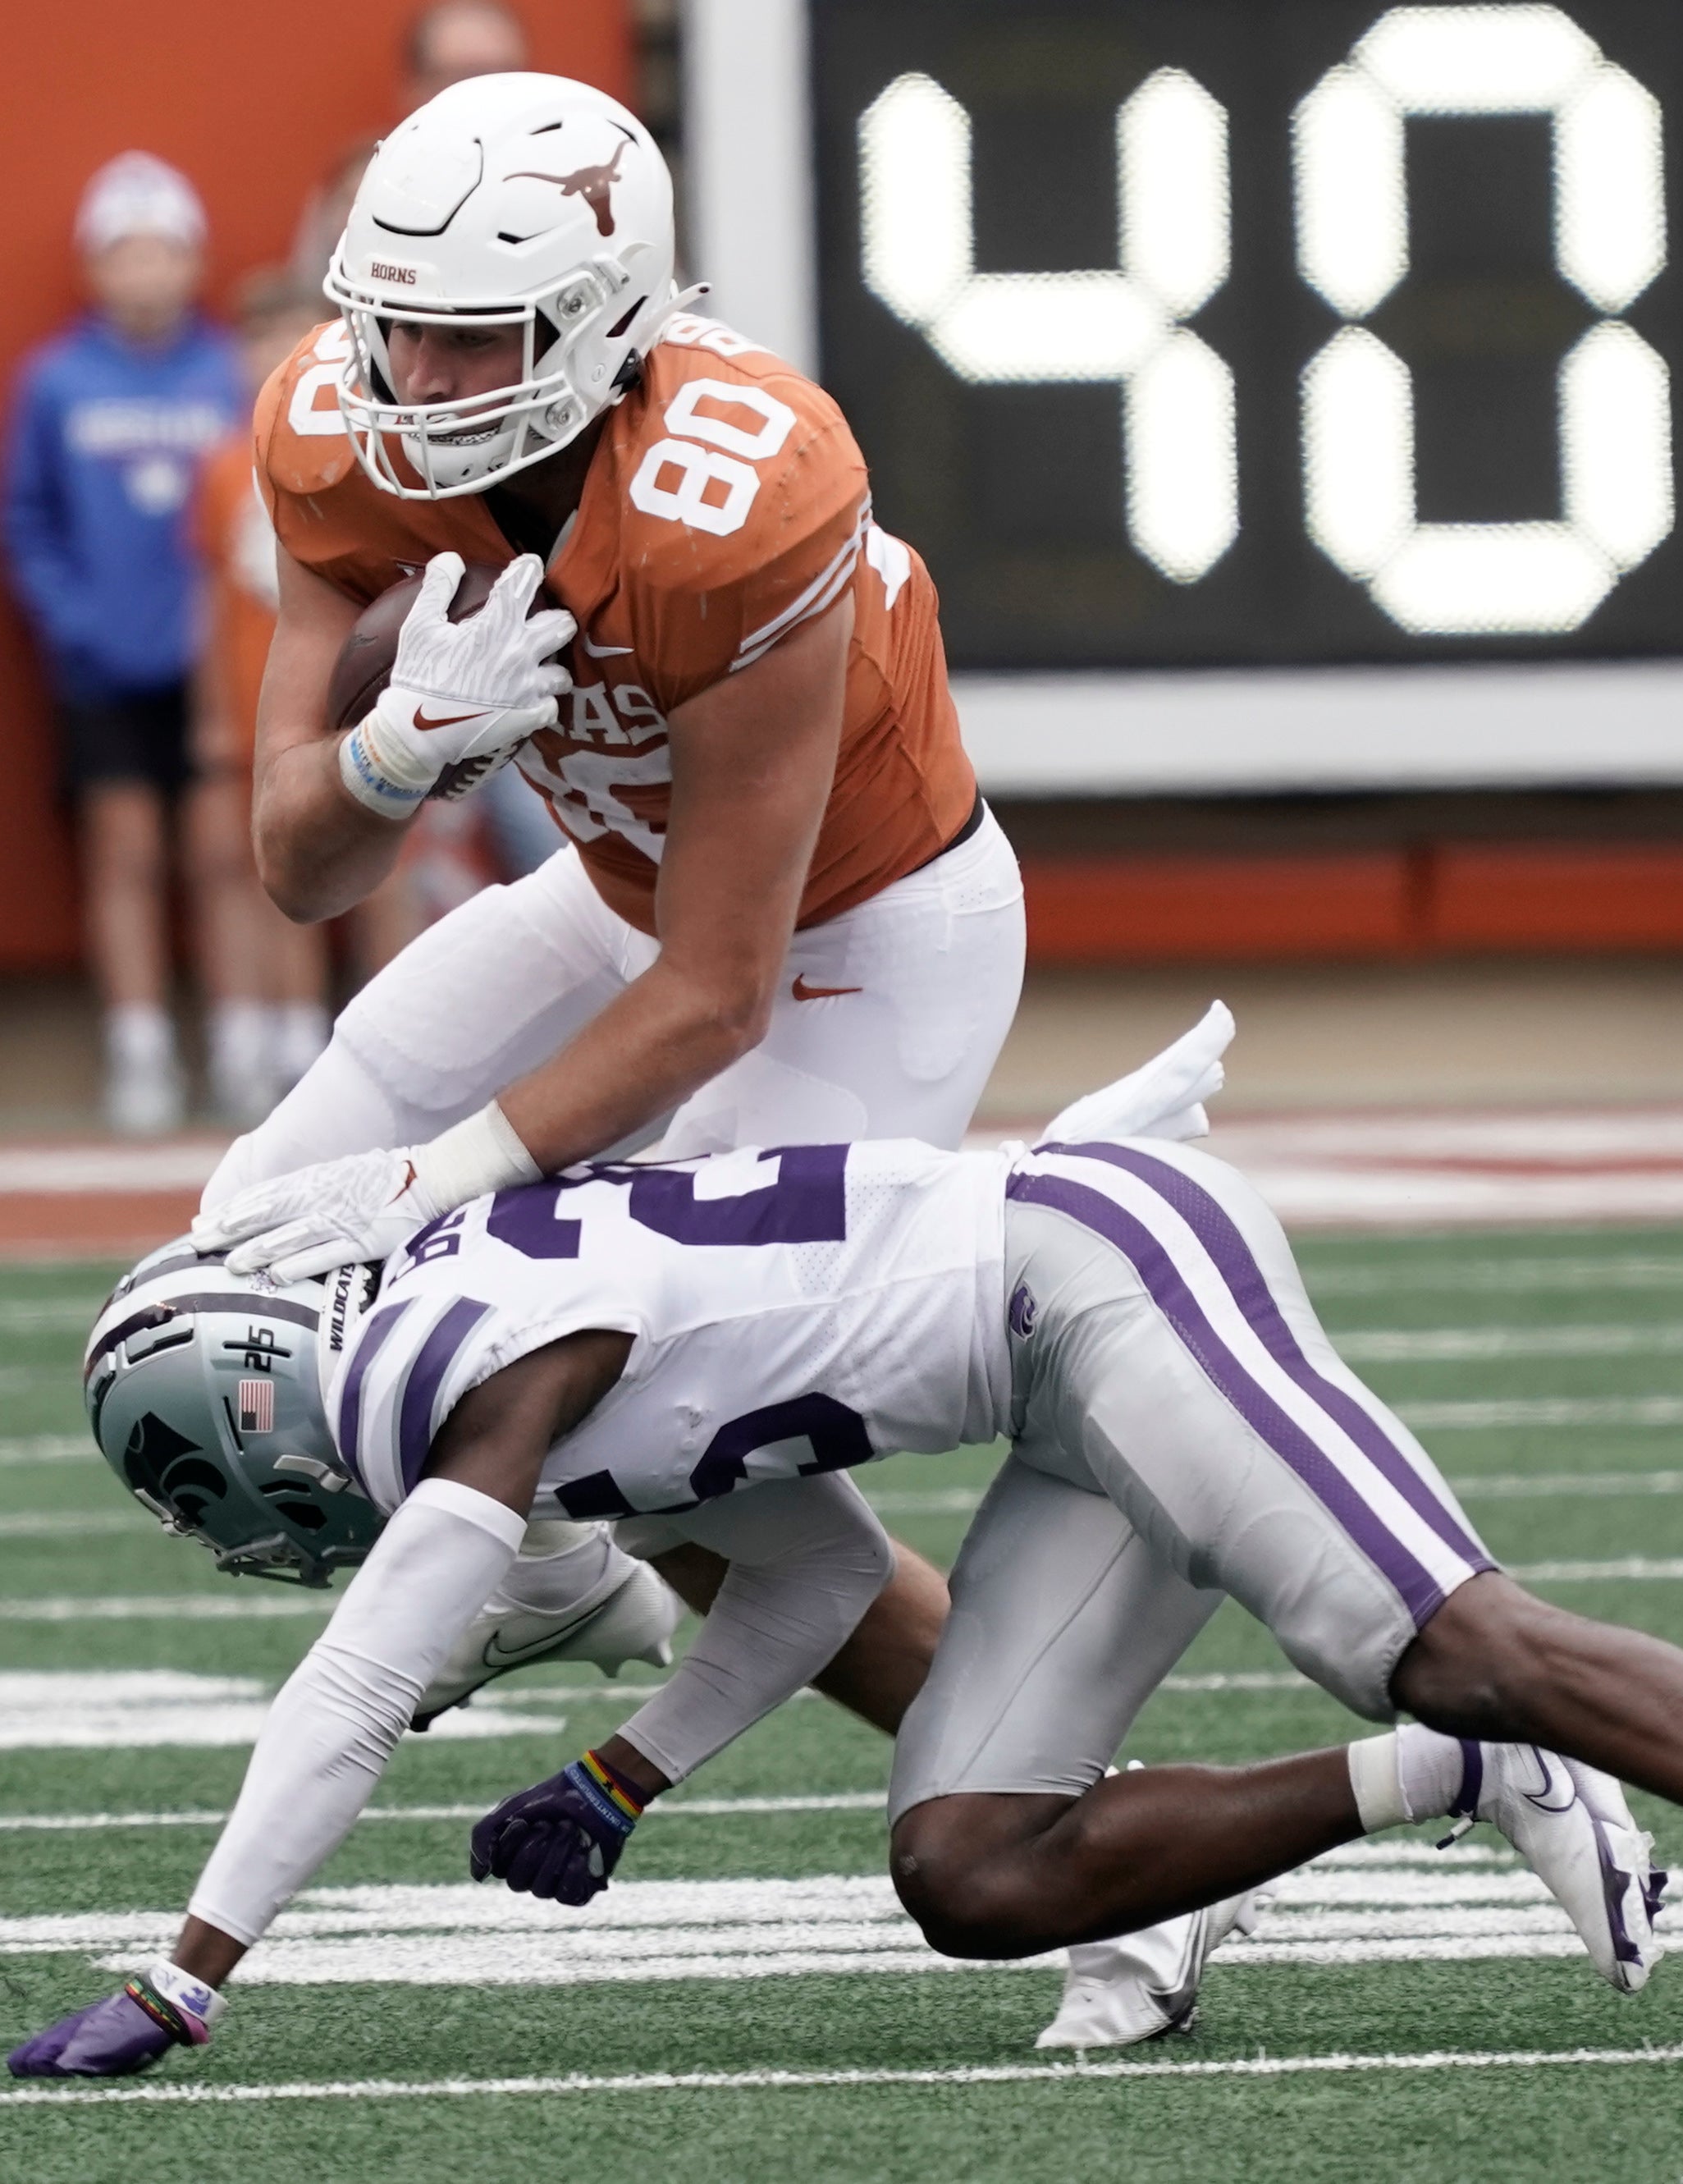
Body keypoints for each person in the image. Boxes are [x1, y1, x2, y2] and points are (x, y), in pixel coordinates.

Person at [12, 1019, 1683, 2077]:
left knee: (1443, 1628)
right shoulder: (507, 1372)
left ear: (257, 1387)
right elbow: (820, 1581)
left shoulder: (464, 1370)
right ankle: (1458, 1781)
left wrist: (185, 1979)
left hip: (1101, 1271)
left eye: (203, 1474)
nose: (239, 1518)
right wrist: (624, 1773)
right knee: (973, 1868)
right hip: (1048, 1390)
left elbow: (361, 1689)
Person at [178, 66, 1070, 2019]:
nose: (407, 374)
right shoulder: (337, 431)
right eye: (389, 319)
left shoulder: (743, 490)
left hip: (861, 937)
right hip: (616, 884)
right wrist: (402, 751)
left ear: (595, 323)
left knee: (649, 1406)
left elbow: (718, 990)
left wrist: (433, 1188)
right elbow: (296, 865)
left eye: (465, 334)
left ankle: (1087, 1836)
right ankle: (572, 1573)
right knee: (240, 1254)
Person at [0, 152, 244, 1136]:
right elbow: (25, 521)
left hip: (215, 663)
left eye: (163, 252)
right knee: (125, 852)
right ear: (95, 268)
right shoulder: (57, 381)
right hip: (100, 665)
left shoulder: (227, 372)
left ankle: (240, 1038)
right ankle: (139, 1047)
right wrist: (78, 621)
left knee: (225, 855)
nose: (145, 273)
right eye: (125, 254)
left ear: (193, 262)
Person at [192, 268, 340, 1123]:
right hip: (246, 695)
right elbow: (206, 593)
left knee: (341, 868)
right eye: (261, 338)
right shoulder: (220, 468)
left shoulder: (354, 458)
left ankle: (313, 1035)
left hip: (331, 707)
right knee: (236, 864)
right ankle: (244, 1036)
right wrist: (211, 707)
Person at [286, 0, 533, 284]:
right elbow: (315, 306)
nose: (487, 91)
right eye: (465, 75)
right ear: (413, 85)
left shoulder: (557, 178)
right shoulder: (361, 183)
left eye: (505, 74)